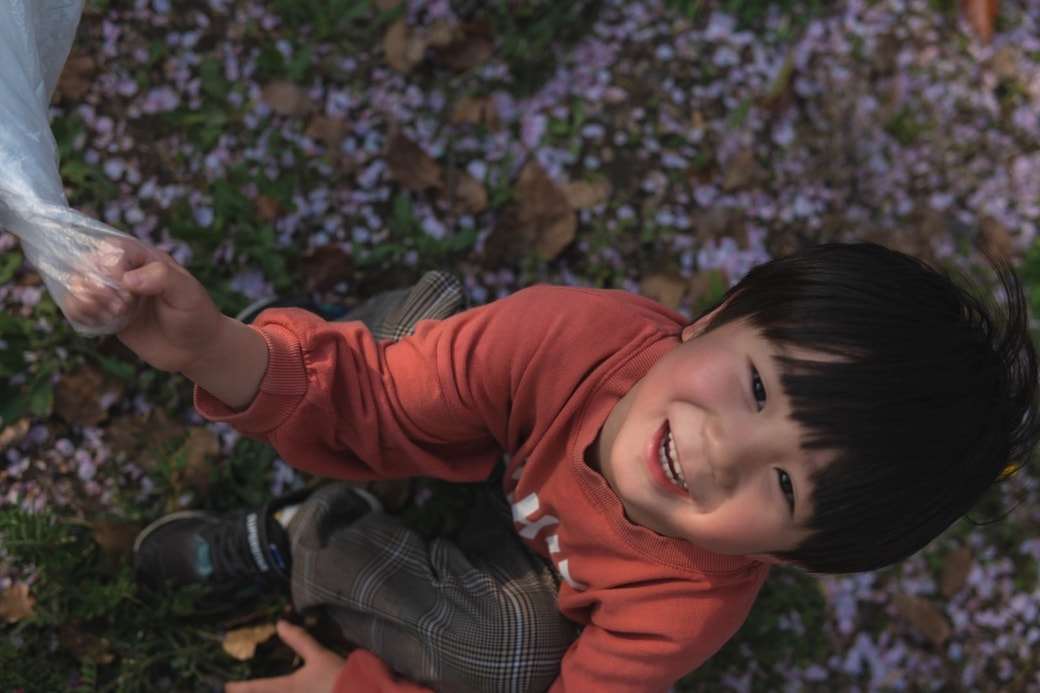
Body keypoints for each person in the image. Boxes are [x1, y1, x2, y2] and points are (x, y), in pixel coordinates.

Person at [64, 242, 1040, 692]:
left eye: (781, 487)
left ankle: (299, 542)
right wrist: (214, 350)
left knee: (511, 657)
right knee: (413, 341)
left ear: (791, 558)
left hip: (534, 567)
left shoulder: (683, 605)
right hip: (489, 422)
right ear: (711, 316)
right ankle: (384, 402)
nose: (712, 450)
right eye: (750, 387)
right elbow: (373, 398)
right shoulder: (571, 334)